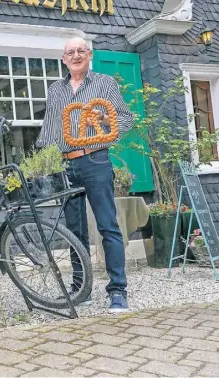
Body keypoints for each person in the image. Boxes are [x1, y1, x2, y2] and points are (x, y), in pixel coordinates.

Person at [36, 36, 134, 313]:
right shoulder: (55, 89)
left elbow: (125, 119)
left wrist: (102, 119)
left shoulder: (104, 83)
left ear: (90, 55)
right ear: (63, 59)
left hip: (96, 159)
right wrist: (43, 160)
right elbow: (50, 129)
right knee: (73, 230)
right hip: (65, 164)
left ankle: (117, 290)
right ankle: (81, 287)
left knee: (108, 225)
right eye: (70, 52)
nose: (76, 55)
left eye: (81, 50)